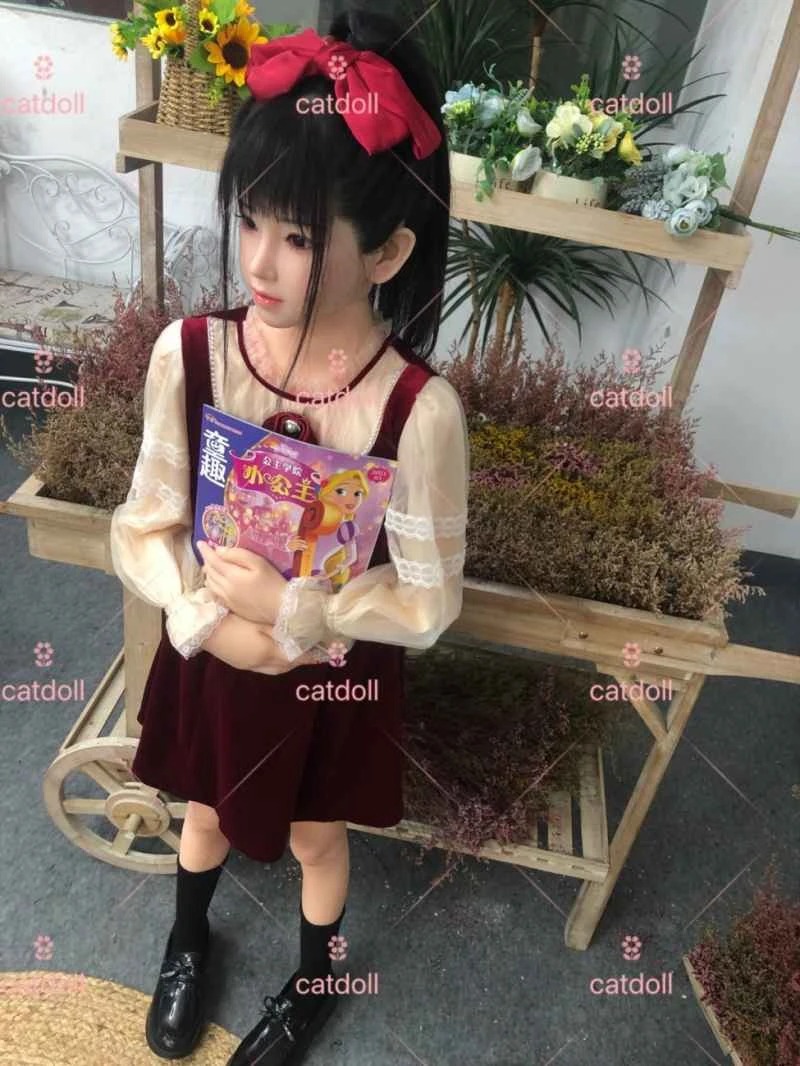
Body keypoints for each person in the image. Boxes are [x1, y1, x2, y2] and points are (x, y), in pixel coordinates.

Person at [109, 8, 469, 1065]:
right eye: (252, 220)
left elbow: (428, 598)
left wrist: (301, 614)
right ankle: (186, 943)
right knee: (204, 810)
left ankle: (316, 981)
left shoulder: (417, 413)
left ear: (388, 250)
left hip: (331, 679)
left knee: (316, 833)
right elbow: (146, 519)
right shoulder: (192, 355)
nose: (260, 263)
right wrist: (200, 614)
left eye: (301, 237)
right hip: (212, 650)